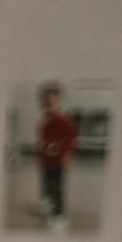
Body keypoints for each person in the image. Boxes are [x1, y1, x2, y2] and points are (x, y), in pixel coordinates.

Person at [35, 83, 80, 225]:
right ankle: (48, 207)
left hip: (58, 160)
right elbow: (43, 140)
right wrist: (40, 155)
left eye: (52, 101)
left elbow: (72, 137)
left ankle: (60, 214)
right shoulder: (44, 121)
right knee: (46, 184)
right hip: (46, 160)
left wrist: (67, 154)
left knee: (57, 187)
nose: (49, 104)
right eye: (46, 101)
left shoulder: (62, 119)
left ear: (58, 101)